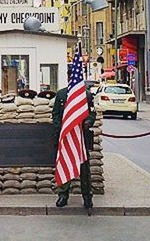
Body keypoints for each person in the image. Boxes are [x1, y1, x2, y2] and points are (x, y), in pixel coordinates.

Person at [52, 81, 96, 211]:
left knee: (84, 169)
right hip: (65, 137)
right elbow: (55, 114)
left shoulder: (86, 95)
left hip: (81, 137)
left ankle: (87, 196)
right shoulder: (61, 94)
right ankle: (63, 195)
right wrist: (62, 129)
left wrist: (88, 122)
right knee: (64, 165)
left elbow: (92, 113)